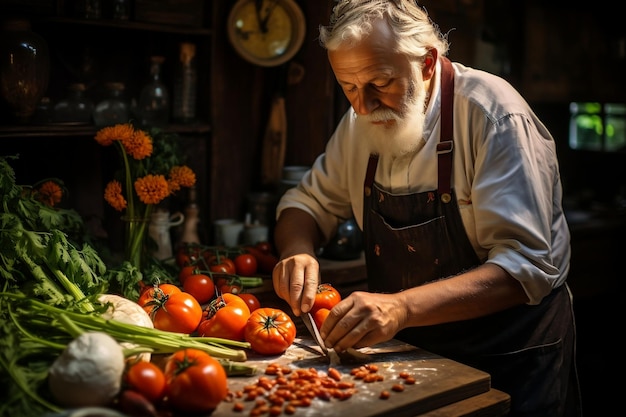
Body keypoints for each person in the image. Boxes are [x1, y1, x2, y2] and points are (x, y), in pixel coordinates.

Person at [271, 1, 582, 416]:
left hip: (508, 354)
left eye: (381, 82)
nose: (363, 106)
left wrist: (400, 308)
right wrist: (297, 251)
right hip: (412, 353)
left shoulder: (494, 116)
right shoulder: (359, 122)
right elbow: (306, 203)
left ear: (429, 63)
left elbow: (526, 266)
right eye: (348, 87)